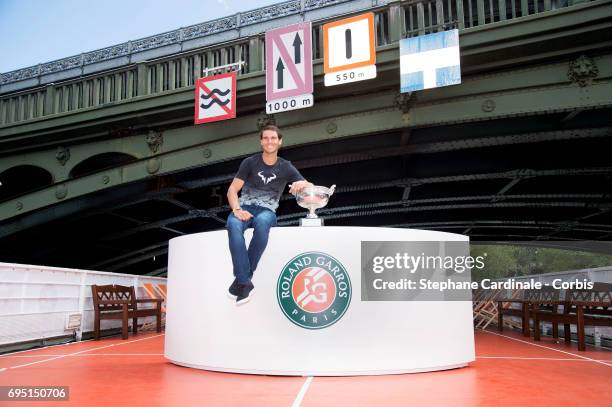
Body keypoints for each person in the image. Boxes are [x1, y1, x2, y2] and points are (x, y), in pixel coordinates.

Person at [226, 125, 311, 305]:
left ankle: (241, 280)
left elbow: (310, 186)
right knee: (233, 224)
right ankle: (244, 282)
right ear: (261, 141)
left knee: (263, 223)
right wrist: (237, 209)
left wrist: (301, 185)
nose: (270, 141)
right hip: (245, 208)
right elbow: (232, 190)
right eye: (266, 138)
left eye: (273, 138)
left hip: (267, 211)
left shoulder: (286, 166)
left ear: (280, 141)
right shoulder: (249, 162)